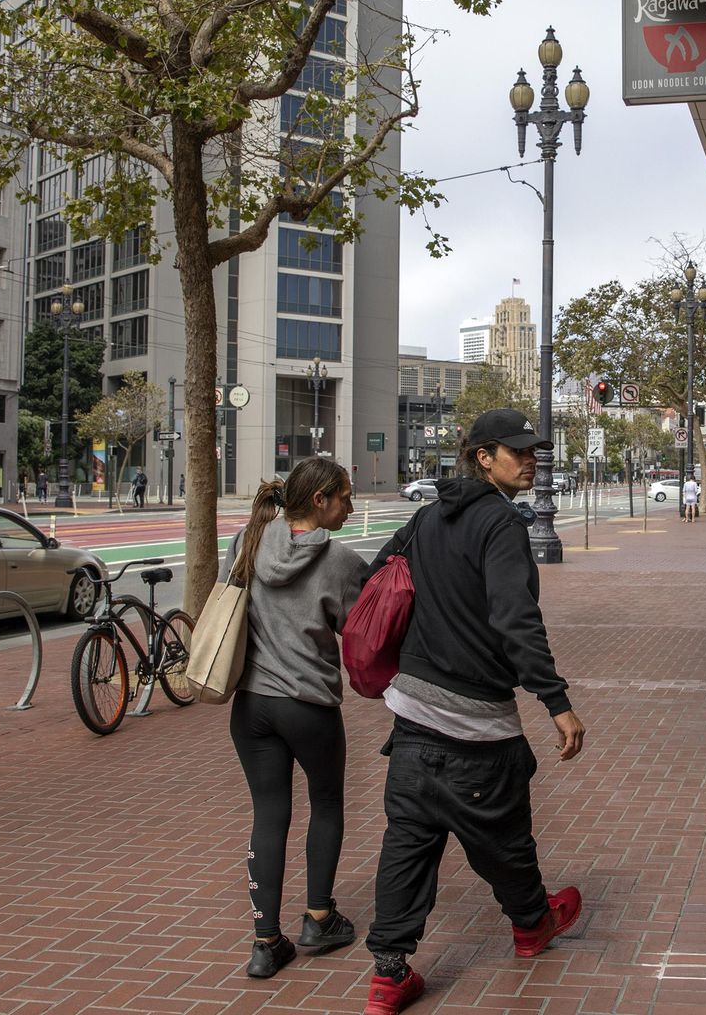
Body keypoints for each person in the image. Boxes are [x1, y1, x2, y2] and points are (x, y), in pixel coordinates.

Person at [359, 409, 587, 1015]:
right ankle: (533, 923)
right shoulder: (502, 525)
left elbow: (374, 578)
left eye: (534, 449)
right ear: (482, 457)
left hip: (411, 712)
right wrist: (555, 701)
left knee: (408, 840)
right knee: (504, 833)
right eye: (517, 451)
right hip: (474, 717)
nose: (531, 458)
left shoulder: (428, 515)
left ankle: (388, 977)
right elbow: (517, 619)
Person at [220, 457, 367, 979]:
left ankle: (265, 944)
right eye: (346, 497)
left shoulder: (248, 540)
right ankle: (319, 918)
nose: (351, 506)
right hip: (307, 705)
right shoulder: (341, 562)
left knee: (269, 815)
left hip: (250, 705)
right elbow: (362, 628)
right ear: (322, 499)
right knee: (325, 802)